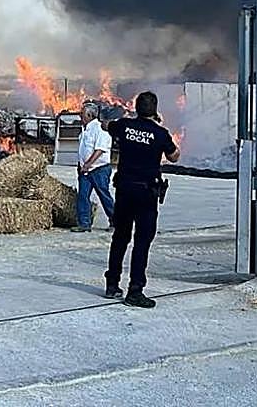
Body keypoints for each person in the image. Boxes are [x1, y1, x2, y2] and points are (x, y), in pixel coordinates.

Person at [104, 91, 180, 308]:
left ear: (136, 108)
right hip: (146, 194)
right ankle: (135, 290)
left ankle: (112, 283)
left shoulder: (124, 126)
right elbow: (175, 156)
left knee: (120, 237)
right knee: (142, 242)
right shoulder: (160, 133)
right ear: (155, 110)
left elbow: (106, 126)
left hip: (124, 190)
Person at [73, 102, 114, 233]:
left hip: (99, 169)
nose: (80, 116)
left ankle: (116, 221)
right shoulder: (85, 130)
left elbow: (100, 150)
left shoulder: (100, 128)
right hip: (85, 170)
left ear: (89, 115)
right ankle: (84, 223)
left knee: (104, 195)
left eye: (82, 114)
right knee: (83, 196)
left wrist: (88, 164)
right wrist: (81, 165)